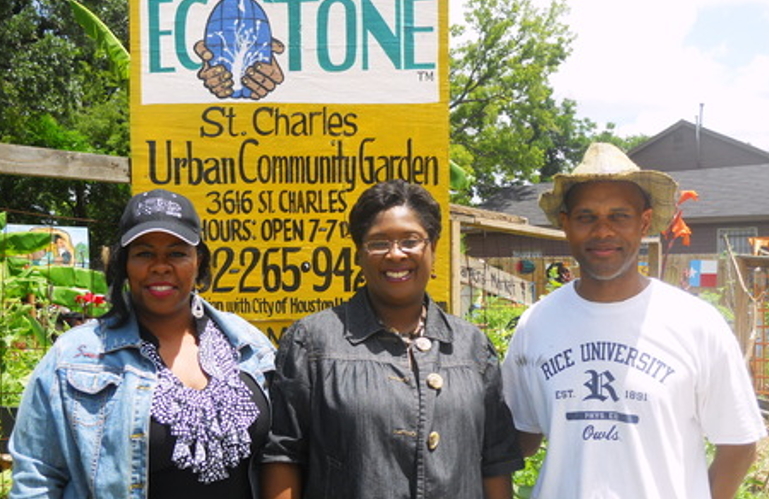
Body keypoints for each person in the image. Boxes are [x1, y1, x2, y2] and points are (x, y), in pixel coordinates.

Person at [501, 142, 766, 499]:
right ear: (566, 224)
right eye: (586, 217)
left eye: (619, 216)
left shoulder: (696, 323)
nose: (603, 231)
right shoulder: (536, 324)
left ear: (643, 223)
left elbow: (739, 443)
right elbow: (520, 438)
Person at [261, 179, 522, 499]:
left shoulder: (472, 347)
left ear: (433, 248)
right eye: (378, 242)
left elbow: (495, 462)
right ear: (359, 253)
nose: (396, 254)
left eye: (411, 241)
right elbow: (283, 456)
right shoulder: (312, 343)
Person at [10, 188, 275, 498]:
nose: (160, 266)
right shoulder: (75, 357)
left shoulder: (247, 344)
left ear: (198, 261)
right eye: (144, 253)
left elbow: (281, 453)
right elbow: (36, 479)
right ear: (124, 263)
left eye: (177, 253)